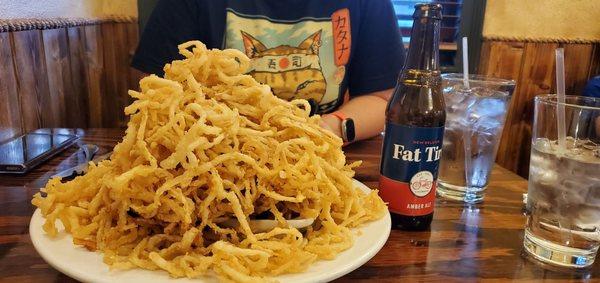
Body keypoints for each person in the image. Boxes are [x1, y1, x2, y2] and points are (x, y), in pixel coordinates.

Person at [132, 0, 405, 143]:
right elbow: (155, 93)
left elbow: (383, 100)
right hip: (212, 151)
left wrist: (327, 129)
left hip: (323, 158)